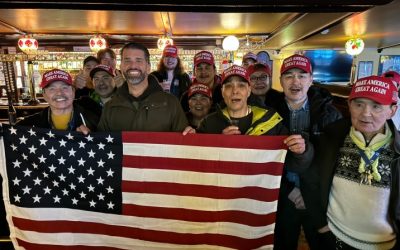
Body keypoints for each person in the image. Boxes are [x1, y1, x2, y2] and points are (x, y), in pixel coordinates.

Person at [301, 75, 399, 249]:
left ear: (392, 110)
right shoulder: (330, 138)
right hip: (333, 237)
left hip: (385, 245)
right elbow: (311, 183)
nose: (366, 113)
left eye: (376, 106)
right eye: (358, 104)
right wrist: (321, 226)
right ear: (349, 105)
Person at [272, 54, 342, 250]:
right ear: (281, 81)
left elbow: (334, 163)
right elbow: (264, 161)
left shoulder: (330, 115)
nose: (296, 81)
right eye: (289, 76)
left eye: (302, 76)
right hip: (283, 196)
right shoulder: (268, 113)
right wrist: (290, 191)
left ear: (311, 80)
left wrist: (310, 194)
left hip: (318, 198)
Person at [195, 64, 313, 171]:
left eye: (241, 85)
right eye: (229, 86)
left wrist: (302, 152)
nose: (235, 91)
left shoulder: (271, 121)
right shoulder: (208, 123)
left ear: (249, 91)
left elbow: (291, 165)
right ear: (222, 92)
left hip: (259, 193)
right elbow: (198, 163)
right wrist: (219, 144)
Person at [97, 42, 188, 132]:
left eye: (139, 60)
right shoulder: (110, 107)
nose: (133, 65)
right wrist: (84, 134)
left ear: (148, 67)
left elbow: (183, 143)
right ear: (121, 66)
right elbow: (99, 142)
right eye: (127, 60)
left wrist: (191, 135)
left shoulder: (171, 103)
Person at [17, 69, 98, 133]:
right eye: (52, 89)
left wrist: (92, 139)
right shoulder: (28, 125)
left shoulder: (94, 120)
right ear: (44, 95)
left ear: (73, 92)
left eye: (64, 87)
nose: (59, 93)